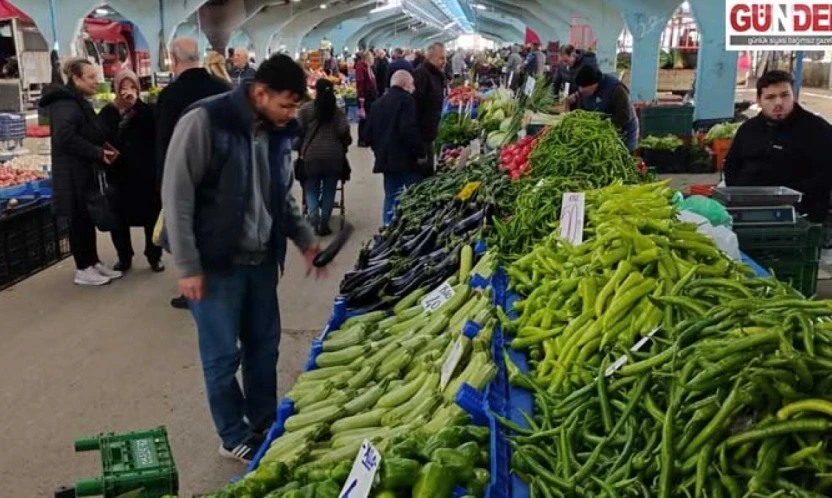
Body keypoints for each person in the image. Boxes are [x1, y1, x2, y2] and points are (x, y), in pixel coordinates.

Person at [162, 54, 324, 463]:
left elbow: (282, 196)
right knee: (221, 355)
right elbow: (177, 197)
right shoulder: (204, 121)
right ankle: (231, 433)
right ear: (259, 92)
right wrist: (188, 265)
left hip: (261, 260)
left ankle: (264, 421)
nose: (290, 114)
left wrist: (304, 238)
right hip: (216, 264)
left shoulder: (278, 132)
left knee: (263, 347)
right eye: (286, 104)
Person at [156, 37, 231, 310]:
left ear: (173, 60)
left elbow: (164, 144)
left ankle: (195, 287)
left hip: (186, 180)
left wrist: (162, 186)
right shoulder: (223, 89)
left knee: (187, 231)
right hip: (223, 178)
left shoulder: (170, 96)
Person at [39, 59, 123, 286]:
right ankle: (83, 268)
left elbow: (88, 130)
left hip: (83, 172)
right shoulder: (66, 104)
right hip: (72, 174)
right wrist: (96, 152)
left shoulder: (78, 101)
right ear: (76, 78)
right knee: (78, 220)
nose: (97, 82)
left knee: (86, 218)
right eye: (91, 77)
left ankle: (92, 262)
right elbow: (65, 137)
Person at [724, 70, 832, 223]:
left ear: (793, 95)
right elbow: (731, 166)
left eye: (784, 95)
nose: (779, 103)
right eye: (770, 97)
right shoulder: (748, 129)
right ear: (759, 100)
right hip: (748, 210)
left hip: (800, 214)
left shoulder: (817, 129)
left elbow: (826, 175)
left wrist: (786, 195)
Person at [98, 69, 162, 273]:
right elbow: (101, 137)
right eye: (123, 87)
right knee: (119, 218)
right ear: (116, 89)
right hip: (119, 173)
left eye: (132, 86)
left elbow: (156, 129)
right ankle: (124, 256)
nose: (128, 91)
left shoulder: (147, 110)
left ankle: (154, 256)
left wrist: (137, 105)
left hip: (145, 173)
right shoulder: (108, 112)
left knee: (151, 217)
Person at [365, 70, 426, 224]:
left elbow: (368, 134)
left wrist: (379, 151)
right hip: (407, 160)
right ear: (405, 84)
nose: (414, 88)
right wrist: (420, 152)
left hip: (386, 160)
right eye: (412, 84)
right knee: (415, 195)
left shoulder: (377, 104)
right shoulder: (407, 101)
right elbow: (408, 129)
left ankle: (387, 227)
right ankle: (416, 225)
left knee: (391, 196)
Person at [297, 78, 352, 236]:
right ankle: (324, 222)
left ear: (317, 91)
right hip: (334, 156)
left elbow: (298, 131)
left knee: (311, 187)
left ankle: (313, 217)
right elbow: (344, 132)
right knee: (329, 189)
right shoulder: (337, 111)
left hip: (311, 156)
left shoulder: (306, 110)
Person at [569, 65, 638, 152]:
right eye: (579, 87)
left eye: (583, 87)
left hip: (623, 136)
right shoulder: (584, 93)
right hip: (599, 136)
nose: (580, 90)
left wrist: (601, 126)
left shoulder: (616, 89)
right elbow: (582, 113)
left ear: (595, 83)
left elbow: (624, 116)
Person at [413, 42, 447, 176]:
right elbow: (416, 107)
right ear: (430, 57)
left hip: (430, 133)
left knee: (428, 171)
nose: (444, 61)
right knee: (423, 173)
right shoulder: (421, 75)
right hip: (422, 134)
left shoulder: (436, 74)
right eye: (441, 58)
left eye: (445, 58)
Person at [355, 51, 378, 147]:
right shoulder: (361, 67)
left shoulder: (368, 67)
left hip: (371, 96)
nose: (373, 59)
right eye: (372, 57)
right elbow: (360, 82)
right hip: (365, 97)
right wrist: (361, 97)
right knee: (364, 119)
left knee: (369, 118)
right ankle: (362, 139)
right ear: (367, 58)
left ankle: (368, 137)